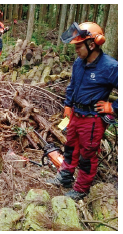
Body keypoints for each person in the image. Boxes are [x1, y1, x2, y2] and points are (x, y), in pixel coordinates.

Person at [46, 22, 118, 200]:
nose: (76, 50)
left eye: (79, 45)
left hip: (92, 120)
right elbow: (72, 86)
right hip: (76, 115)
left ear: (91, 44)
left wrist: (113, 107)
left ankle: (81, 188)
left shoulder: (110, 66)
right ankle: (65, 176)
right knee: (70, 148)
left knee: (87, 156)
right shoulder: (79, 63)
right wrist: (68, 105)